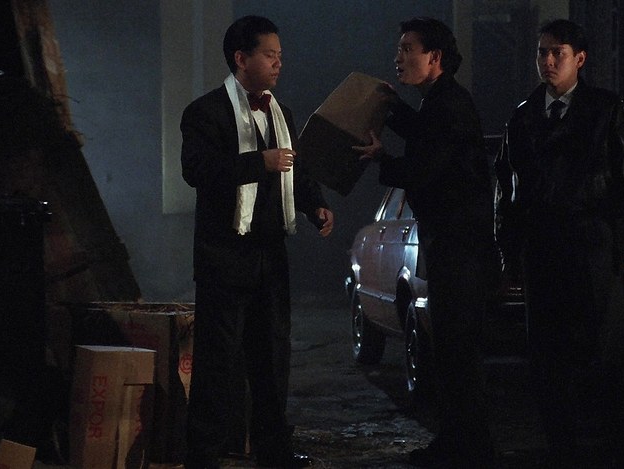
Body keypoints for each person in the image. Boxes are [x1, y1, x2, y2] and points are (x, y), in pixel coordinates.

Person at [494, 19, 624, 465]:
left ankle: (616, 450)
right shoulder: (524, 115)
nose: (547, 61)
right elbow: (507, 188)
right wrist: (509, 253)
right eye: (541, 52)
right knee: (548, 359)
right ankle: (561, 449)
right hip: (542, 249)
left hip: (593, 246)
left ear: (579, 59)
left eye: (557, 53)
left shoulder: (606, 110)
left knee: (604, 353)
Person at [180, 15, 334, 469]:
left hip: (270, 255)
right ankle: (204, 457)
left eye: (280, 56)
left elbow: (294, 169)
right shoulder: (205, 112)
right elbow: (197, 171)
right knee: (217, 362)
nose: (278, 63)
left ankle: (273, 451)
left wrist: (315, 206)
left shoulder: (280, 112)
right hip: (224, 256)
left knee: (271, 359)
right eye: (270, 55)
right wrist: (257, 162)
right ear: (241, 58)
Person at [355, 17, 499, 468]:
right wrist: (394, 108)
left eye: (407, 49)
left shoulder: (449, 105)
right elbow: (424, 134)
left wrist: (383, 159)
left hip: (460, 248)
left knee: (457, 354)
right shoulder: (440, 101)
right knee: (451, 353)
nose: (398, 57)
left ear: (434, 57)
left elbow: (425, 169)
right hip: (451, 244)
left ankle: (468, 449)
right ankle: (458, 444)